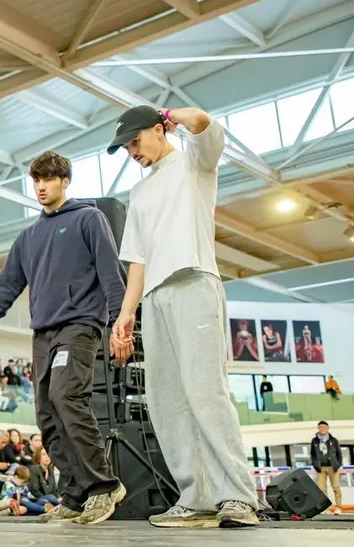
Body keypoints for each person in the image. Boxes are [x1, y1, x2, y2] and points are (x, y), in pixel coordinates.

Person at [0, 150, 126, 524]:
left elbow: (111, 273)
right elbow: (6, 287)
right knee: (47, 414)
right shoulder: (29, 236)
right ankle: (76, 495)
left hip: (79, 325)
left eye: (48, 179)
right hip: (43, 333)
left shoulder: (89, 219)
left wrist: (119, 324)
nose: (42, 187)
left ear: (65, 181)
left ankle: (104, 486)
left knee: (68, 397)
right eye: (36, 180)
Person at [108, 105, 259, 528]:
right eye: (125, 148)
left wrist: (171, 113)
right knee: (166, 400)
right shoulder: (138, 194)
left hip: (194, 282)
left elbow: (204, 124)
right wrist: (126, 315)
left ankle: (238, 496)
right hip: (154, 297)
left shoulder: (195, 161)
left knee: (205, 391)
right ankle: (196, 498)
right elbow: (136, 260)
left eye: (135, 141)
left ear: (160, 130)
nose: (131, 152)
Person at [310, 421, 342, 515]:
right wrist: (315, 465)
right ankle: (325, 508)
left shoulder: (333, 440)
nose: (322, 428)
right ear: (318, 428)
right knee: (321, 489)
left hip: (333, 467)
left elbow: (339, 453)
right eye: (320, 427)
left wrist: (338, 464)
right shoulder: (314, 441)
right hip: (321, 468)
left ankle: (338, 507)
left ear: (328, 428)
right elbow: (312, 454)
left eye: (324, 427)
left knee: (336, 487)